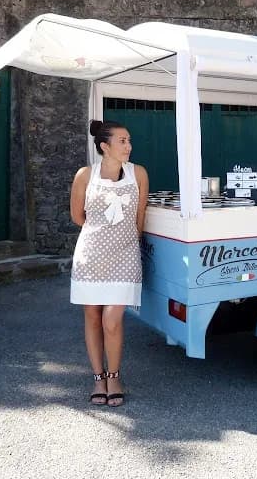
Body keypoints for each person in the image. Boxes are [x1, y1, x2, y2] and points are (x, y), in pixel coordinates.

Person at [69, 120, 149, 407]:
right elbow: (78, 217)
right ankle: (98, 378)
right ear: (105, 146)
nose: (129, 146)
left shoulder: (138, 173)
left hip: (125, 256)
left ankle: (114, 376)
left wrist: (127, 241)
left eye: (128, 140)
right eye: (122, 141)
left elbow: (141, 216)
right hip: (91, 257)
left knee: (112, 320)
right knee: (92, 317)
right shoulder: (85, 175)